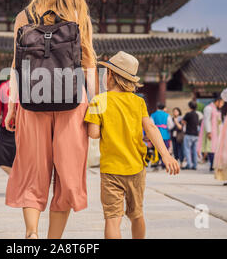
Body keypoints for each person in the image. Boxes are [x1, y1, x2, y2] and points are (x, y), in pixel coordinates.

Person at [4, 0, 98, 239]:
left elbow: (15, 65)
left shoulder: (25, 16)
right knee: (68, 174)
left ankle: (31, 233)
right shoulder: (78, 13)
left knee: (32, 170)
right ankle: (52, 241)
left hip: (33, 99)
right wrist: (98, 106)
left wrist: (11, 107)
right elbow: (89, 62)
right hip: (72, 101)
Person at [84, 51, 180, 239]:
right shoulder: (139, 102)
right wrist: (166, 155)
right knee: (136, 214)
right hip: (136, 167)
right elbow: (151, 128)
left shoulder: (99, 101)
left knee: (113, 219)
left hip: (111, 170)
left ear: (110, 75)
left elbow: (93, 134)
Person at [0, 80, 16, 175]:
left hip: (23, 129)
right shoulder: (4, 86)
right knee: (0, 157)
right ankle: (16, 179)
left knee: (21, 160)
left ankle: (19, 183)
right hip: (5, 128)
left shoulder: (28, 84)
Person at [197, 95, 224, 171]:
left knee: (215, 148)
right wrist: (209, 131)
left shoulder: (216, 109)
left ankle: (215, 164)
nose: (222, 105)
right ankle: (212, 164)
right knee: (210, 148)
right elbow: (206, 120)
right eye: (222, 103)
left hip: (217, 131)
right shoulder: (208, 108)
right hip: (211, 131)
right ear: (218, 101)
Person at [150, 102, 174, 169]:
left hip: (156, 135)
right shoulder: (167, 115)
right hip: (165, 134)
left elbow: (151, 125)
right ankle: (164, 163)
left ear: (157, 107)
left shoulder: (153, 115)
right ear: (164, 108)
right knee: (165, 149)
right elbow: (171, 126)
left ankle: (157, 161)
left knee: (156, 149)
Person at [182, 101, 200, 170]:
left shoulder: (188, 114)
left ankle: (189, 164)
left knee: (187, 150)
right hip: (195, 135)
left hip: (189, 134)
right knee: (194, 150)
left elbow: (183, 122)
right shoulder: (197, 114)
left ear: (190, 106)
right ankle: (195, 165)